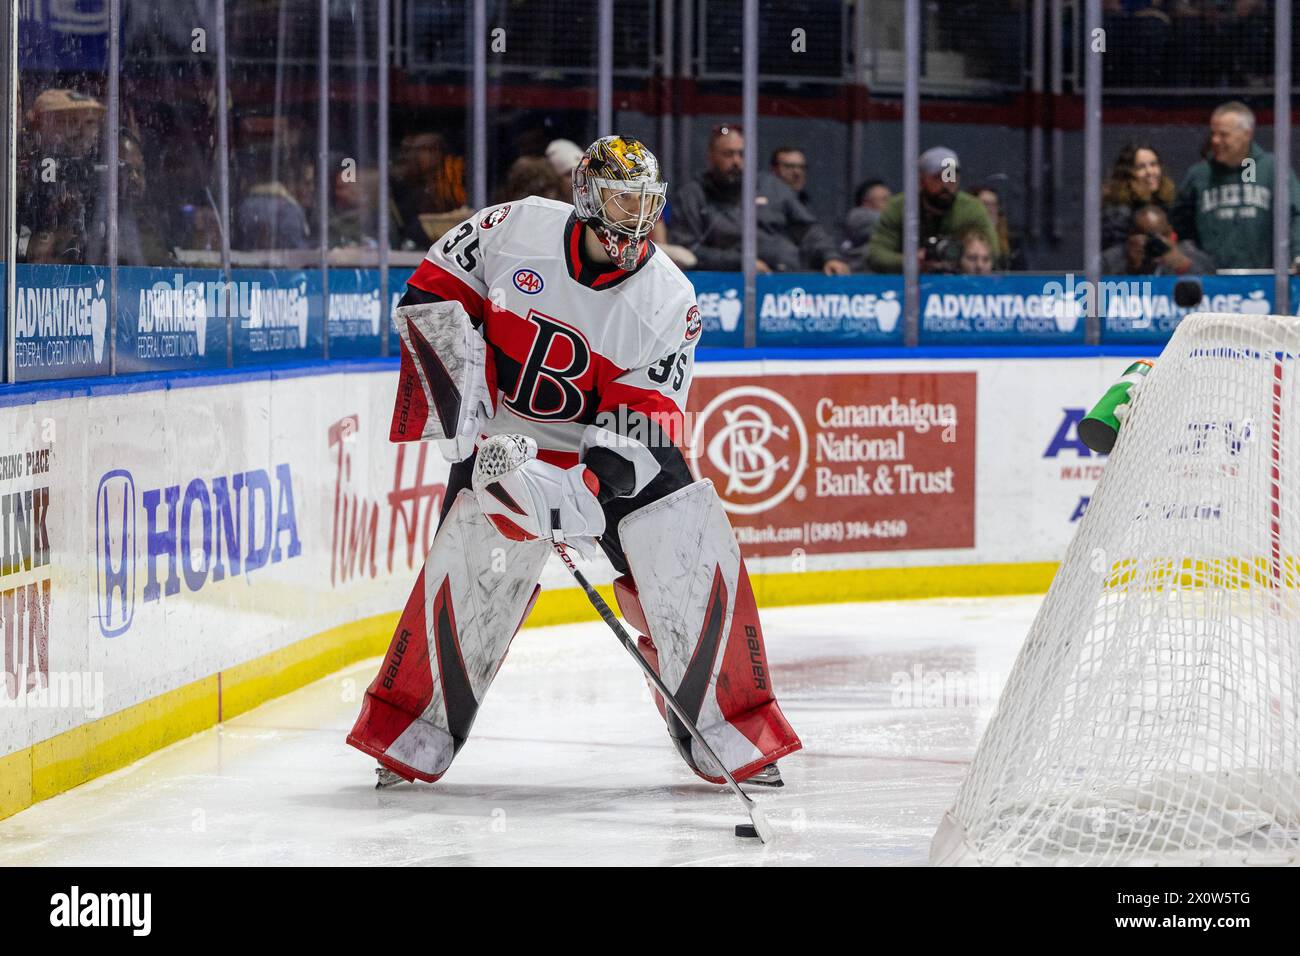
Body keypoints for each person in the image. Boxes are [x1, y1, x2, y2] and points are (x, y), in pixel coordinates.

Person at [347, 135, 801, 791]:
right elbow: (430, 295)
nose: (635, 220)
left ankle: (736, 732)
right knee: (470, 567)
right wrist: (460, 412)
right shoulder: (516, 226)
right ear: (586, 195)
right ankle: (409, 731)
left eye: (646, 204)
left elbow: (642, 426)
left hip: (605, 447)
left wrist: (572, 497)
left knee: (684, 548)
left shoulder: (670, 299)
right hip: (500, 433)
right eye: (621, 200)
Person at [670, 124, 848, 274]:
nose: (737, 161)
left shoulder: (771, 186)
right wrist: (739, 263)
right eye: (728, 154)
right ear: (711, 156)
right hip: (728, 282)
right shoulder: (694, 194)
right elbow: (688, 251)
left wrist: (830, 256)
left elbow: (808, 230)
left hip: (788, 279)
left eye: (742, 154)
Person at [1170, 101, 1300, 271]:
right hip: (1212, 284)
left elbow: (1294, 215)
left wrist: (1297, 254)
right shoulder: (1199, 175)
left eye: (1224, 135)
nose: (1215, 140)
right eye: (1213, 134)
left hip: (1265, 281)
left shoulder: (1270, 169)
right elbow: (1179, 226)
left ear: (1247, 134)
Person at [867, 146, 999, 273]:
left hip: (960, 283)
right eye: (939, 177)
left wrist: (961, 258)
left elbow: (994, 251)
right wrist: (912, 261)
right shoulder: (900, 207)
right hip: (908, 283)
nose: (946, 184)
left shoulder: (972, 209)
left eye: (952, 177)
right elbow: (875, 255)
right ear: (922, 180)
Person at [1102, 203, 1213, 276]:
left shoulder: (1190, 255)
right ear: (1131, 236)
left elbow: (1216, 290)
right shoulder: (1110, 261)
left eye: (1161, 235)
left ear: (1170, 234)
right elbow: (1090, 300)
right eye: (1146, 236)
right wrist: (1131, 269)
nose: (1153, 243)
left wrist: (1183, 266)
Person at [1102, 142, 1176, 250]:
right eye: (1141, 167)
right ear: (1127, 174)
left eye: (1154, 164)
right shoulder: (1118, 215)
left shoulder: (1164, 207)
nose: (1150, 171)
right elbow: (1114, 259)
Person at [840, 178, 891, 272]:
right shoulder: (859, 215)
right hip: (858, 277)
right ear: (866, 203)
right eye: (885, 200)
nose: (891, 204)